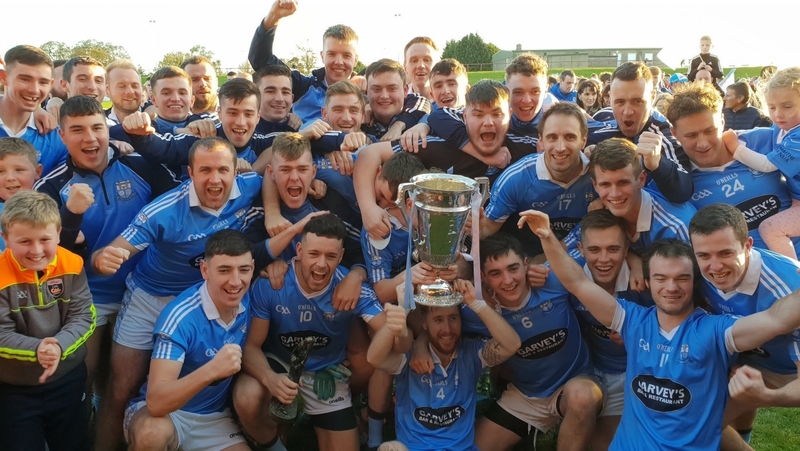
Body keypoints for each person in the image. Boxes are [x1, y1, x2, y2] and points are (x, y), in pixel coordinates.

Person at [522, 209, 800, 451]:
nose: (671, 287)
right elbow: (577, 283)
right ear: (647, 281)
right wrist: (547, 237)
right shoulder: (632, 319)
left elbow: (777, 319)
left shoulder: (717, 331)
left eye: (682, 278)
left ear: (696, 282)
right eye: (660, 278)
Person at [91, 137, 263, 451]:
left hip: (207, 297)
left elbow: (276, 174)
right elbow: (112, 251)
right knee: (121, 389)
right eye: (205, 170)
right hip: (151, 298)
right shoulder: (164, 210)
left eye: (223, 169)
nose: (215, 179)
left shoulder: (250, 186)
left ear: (235, 172)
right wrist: (105, 258)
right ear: (190, 172)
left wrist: (277, 212)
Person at [35, 95, 179, 424]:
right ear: (62, 136)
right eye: (77, 130)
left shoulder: (141, 165)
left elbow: (179, 210)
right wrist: (70, 218)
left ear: (108, 129)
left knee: (126, 385)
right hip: (87, 296)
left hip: (143, 290)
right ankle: (74, 433)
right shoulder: (53, 186)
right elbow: (44, 257)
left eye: (97, 128)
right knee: (80, 377)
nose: (90, 138)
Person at [233, 214, 411, 451]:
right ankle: (274, 444)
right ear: (299, 250)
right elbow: (251, 346)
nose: (321, 264)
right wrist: (270, 378)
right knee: (247, 396)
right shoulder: (271, 284)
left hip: (325, 374)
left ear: (341, 256)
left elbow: (398, 345)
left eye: (330, 256)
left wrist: (400, 329)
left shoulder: (352, 289)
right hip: (280, 365)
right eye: (314, 254)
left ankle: (316, 420)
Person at [452, 235, 602, 451]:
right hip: (526, 396)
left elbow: (592, 251)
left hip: (577, 382)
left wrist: (635, 265)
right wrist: (420, 347)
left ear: (526, 264)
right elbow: (432, 328)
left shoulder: (554, 276)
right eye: (496, 273)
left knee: (581, 397)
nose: (508, 280)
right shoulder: (476, 310)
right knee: (473, 448)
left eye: (513, 268)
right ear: (483, 277)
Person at [123, 230, 254, 451]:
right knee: (151, 435)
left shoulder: (249, 296)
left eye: (244, 270)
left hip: (213, 419)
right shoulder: (180, 318)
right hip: (166, 415)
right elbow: (156, 402)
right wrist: (212, 370)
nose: (235, 281)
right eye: (224, 270)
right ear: (205, 270)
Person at [688, 204, 800, 451]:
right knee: (693, 426)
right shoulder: (696, 271)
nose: (715, 267)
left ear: (748, 245)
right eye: (704, 255)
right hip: (750, 364)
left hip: (791, 371)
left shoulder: (788, 289)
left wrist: (767, 396)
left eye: (725, 253)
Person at [368, 284, 521, 451]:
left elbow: (511, 345)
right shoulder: (410, 358)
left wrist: (477, 304)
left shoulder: (471, 354)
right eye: (438, 320)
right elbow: (374, 358)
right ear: (424, 323)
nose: (447, 329)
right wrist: (401, 311)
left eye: (453, 318)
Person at [0, 191, 95, 451]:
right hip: (14, 388)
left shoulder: (72, 264)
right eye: (24, 241)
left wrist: (58, 346)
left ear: (58, 233)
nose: (36, 250)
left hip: (68, 379)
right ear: (5, 238)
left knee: (74, 444)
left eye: (45, 239)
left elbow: (84, 316)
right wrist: (38, 349)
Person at [666, 81, 796, 250]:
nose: (703, 143)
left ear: (722, 121)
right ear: (674, 133)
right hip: (745, 273)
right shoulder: (675, 180)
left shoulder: (764, 140)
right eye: (691, 136)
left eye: (709, 130)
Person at [481, 102, 595, 258]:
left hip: (583, 255)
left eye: (570, 137)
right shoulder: (517, 178)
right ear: (541, 141)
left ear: (584, 140)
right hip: (529, 262)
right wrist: (471, 227)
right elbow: (487, 229)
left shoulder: (598, 174)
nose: (560, 147)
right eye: (552, 137)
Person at [563, 137, 696, 255]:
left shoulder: (674, 228)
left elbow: (692, 280)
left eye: (623, 182)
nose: (614, 194)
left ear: (642, 179)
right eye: (605, 184)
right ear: (595, 185)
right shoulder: (602, 209)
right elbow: (564, 247)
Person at [587, 61, 693, 204]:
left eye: (637, 101)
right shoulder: (601, 118)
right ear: (610, 98)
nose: (627, 111)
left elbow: (684, 190)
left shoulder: (661, 134)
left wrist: (659, 164)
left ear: (652, 96)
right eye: (619, 102)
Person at [722, 67, 800, 259]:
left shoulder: (798, 137)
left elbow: (767, 165)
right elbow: (760, 133)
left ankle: (792, 279)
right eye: (771, 107)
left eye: (787, 106)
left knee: (771, 229)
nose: (778, 114)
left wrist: (735, 147)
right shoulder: (783, 127)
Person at [248, 0, 359, 123]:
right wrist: (273, 17)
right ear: (322, 56)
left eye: (346, 55)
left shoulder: (368, 92)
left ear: (356, 60)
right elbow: (261, 59)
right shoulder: (303, 86)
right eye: (331, 54)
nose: (339, 62)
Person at [0, 45, 68, 175]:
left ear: (51, 84)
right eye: (25, 79)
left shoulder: (57, 138)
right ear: (3, 77)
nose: (34, 90)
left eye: (43, 82)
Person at [0, 137, 42, 250]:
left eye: (19, 170)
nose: (10, 178)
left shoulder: (48, 208)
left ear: (37, 171)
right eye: (0, 171)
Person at [104, 59, 143, 125]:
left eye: (135, 86)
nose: (130, 92)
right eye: (122, 86)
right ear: (107, 90)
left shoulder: (155, 121)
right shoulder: (98, 124)